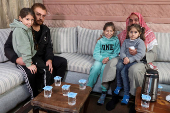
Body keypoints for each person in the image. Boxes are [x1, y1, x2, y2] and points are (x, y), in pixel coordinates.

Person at [4, 3, 67, 99]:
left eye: (43, 15)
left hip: (41, 57)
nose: (40, 18)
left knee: (62, 62)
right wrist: (16, 59)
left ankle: (54, 89)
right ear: (32, 13)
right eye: (38, 14)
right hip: (26, 58)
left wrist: (49, 59)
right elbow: (7, 47)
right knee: (32, 72)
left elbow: (49, 47)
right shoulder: (22, 29)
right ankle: (37, 97)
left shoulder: (45, 30)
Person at [104, 12, 157, 111]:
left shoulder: (148, 34)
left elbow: (154, 54)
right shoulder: (125, 33)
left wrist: (139, 53)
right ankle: (114, 96)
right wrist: (103, 38)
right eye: (131, 20)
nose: (133, 22)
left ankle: (135, 99)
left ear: (140, 21)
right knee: (112, 64)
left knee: (134, 69)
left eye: (135, 20)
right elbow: (114, 41)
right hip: (124, 57)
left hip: (140, 60)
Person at [87, 22, 120, 105]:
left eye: (111, 31)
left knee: (103, 69)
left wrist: (108, 59)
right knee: (95, 68)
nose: (109, 33)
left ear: (114, 31)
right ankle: (88, 88)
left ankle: (104, 92)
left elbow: (116, 53)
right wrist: (102, 59)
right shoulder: (100, 41)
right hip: (100, 59)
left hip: (109, 60)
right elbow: (95, 54)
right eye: (107, 31)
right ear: (103, 31)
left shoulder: (116, 41)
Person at [114, 24, 146, 105]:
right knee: (118, 65)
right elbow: (122, 51)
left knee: (123, 71)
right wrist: (124, 58)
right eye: (131, 32)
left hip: (133, 61)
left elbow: (141, 54)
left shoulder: (140, 42)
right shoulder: (126, 41)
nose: (133, 34)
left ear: (139, 33)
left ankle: (126, 94)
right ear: (128, 33)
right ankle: (119, 85)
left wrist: (130, 59)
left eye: (135, 32)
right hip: (125, 59)